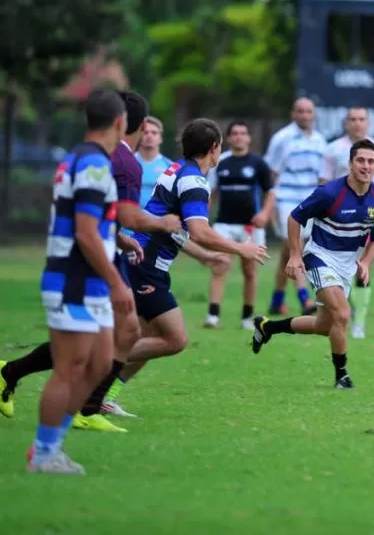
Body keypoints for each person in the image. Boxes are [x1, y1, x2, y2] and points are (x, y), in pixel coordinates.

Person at [0, 91, 183, 433]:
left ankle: (80, 408)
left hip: (84, 265)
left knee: (112, 340)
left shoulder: (79, 157)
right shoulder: (110, 163)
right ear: (121, 122)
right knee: (77, 359)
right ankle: (58, 426)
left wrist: (117, 236)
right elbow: (95, 227)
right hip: (78, 269)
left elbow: (95, 216)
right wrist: (160, 225)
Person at [104, 119, 269, 411]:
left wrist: (206, 256)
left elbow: (178, 229)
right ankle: (100, 362)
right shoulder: (194, 180)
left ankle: (104, 396)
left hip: (144, 260)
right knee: (174, 339)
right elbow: (200, 231)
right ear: (215, 148)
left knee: (145, 339)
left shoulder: (177, 168)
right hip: (146, 264)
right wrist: (240, 248)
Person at [25, 89, 133, 473]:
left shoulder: (84, 160)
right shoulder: (92, 165)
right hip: (73, 279)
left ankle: (52, 446)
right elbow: (85, 234)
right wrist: (118, 283)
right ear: (120, 123)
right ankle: (44, 452)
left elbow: (93, 225)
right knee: (69, 368)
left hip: (90, 282)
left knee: (102, 361)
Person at [251, 140, 374, 388]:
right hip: (319, 257)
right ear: (349, 164)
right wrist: (294, 254)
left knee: (325, 325)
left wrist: (366, 262)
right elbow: (295, 217)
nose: (366, 166)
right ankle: (342, 377)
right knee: (343, 313)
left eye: (371, 161)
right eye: (360, 160)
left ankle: (267, 326)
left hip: (346, 265)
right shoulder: (329, 193)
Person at [320, 107, 374, 338]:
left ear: (368, 123)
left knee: (363, 266)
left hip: (366, 217)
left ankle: (359, 322)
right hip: (335, 220)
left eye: (361, 119)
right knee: (340, 269)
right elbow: (323, 183)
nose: (357, 123)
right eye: (352, 119)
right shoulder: (332, 149)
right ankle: (343, 310)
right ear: (346, 123)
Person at [205, 121, 275, 329]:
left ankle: (247, 317)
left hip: (250, 226)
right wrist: (204, 219)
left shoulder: (258, 163)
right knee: (220, 266)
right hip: (224, 224)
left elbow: (270, 191)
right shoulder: (220, 163)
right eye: (234, 133)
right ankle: (213, 315)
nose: (238, 137)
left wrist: (264, 213)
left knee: (250, 271)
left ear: (249, 138)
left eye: (243, 133)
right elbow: (211, 193)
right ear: (227, 138)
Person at [263, 98, 327, 317]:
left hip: (310, 200)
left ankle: (277, 299)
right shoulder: (282, 138)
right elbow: (271, 174)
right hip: (286, 199)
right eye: (300, 111)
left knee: (288, 252)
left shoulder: (320, 141)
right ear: (293, 114)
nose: (304, 115)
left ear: (314, 114)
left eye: (308, 111)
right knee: (296, 246)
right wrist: (269, 205)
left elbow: (322, 176)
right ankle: (304, 297)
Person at [136, 116, 174, 208]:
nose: (149, 136)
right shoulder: (127, 162)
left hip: (158, 220)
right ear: (138, 136)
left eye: (154, 133)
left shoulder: (171, 167)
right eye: (145, 132)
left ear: (161, 138)